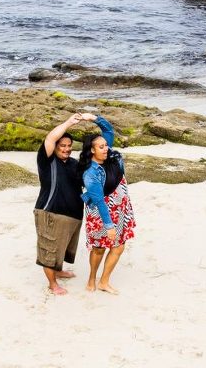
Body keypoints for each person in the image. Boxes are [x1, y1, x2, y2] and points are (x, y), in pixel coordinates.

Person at [77, 113, 136, 295]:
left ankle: (104, 281)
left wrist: (93, 117)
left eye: (105, 145)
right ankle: (92, 278)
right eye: (101, 147)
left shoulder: (109, 156)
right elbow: (99, 201)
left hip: (120, 209)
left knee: (118, 246)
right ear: (92, 150)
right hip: (102, 214)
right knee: (99, 248)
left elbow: (108, 130)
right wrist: (108, 225)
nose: (106, 149)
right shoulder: (90, 174)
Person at [34, 113, 87, 295]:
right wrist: (69, 123)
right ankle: (52, 284)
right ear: (55, 147)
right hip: (51, 213)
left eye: (69, 146)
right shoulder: (47, 161)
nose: (66, 149)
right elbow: (50, 138)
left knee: (62, 247)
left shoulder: (75, 164)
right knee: (50, 250)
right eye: (62, 145)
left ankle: (58, 270)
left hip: (73, 215)